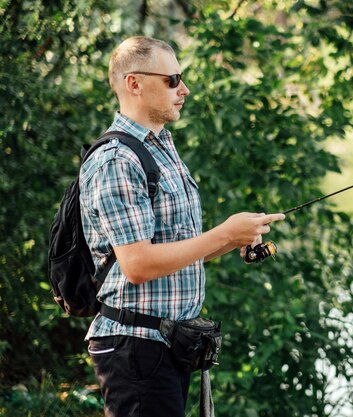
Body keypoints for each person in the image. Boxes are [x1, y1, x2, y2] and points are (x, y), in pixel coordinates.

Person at [80, 36, 285, 417]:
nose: (184, 89)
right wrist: (224, 233)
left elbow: (178, 248)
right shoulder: (117, 160)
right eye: (173, 79)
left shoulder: (162, 148)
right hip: (136, 348)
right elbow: (138, 264)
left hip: (168, 345)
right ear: (134, 84)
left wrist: (236, 236)